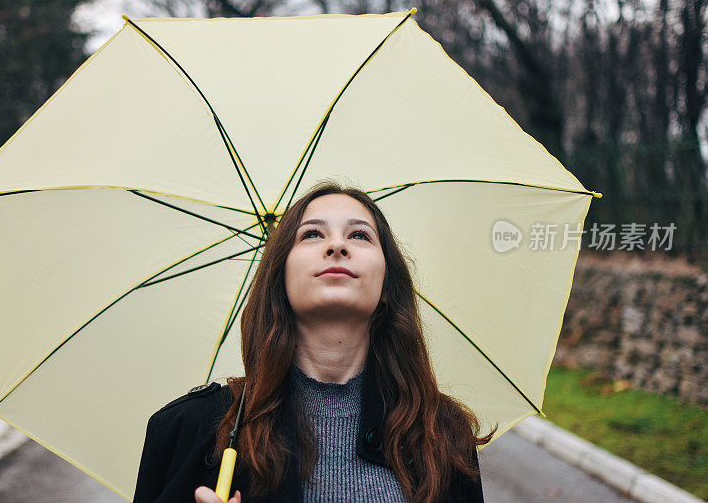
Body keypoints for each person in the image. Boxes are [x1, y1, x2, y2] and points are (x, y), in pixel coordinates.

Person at [133, 181, 494, 503]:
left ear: (386, 287)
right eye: (311, 235)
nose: (337, 244)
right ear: (281, 279)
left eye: (359, 235)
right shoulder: (193, 429)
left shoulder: (443, 435)